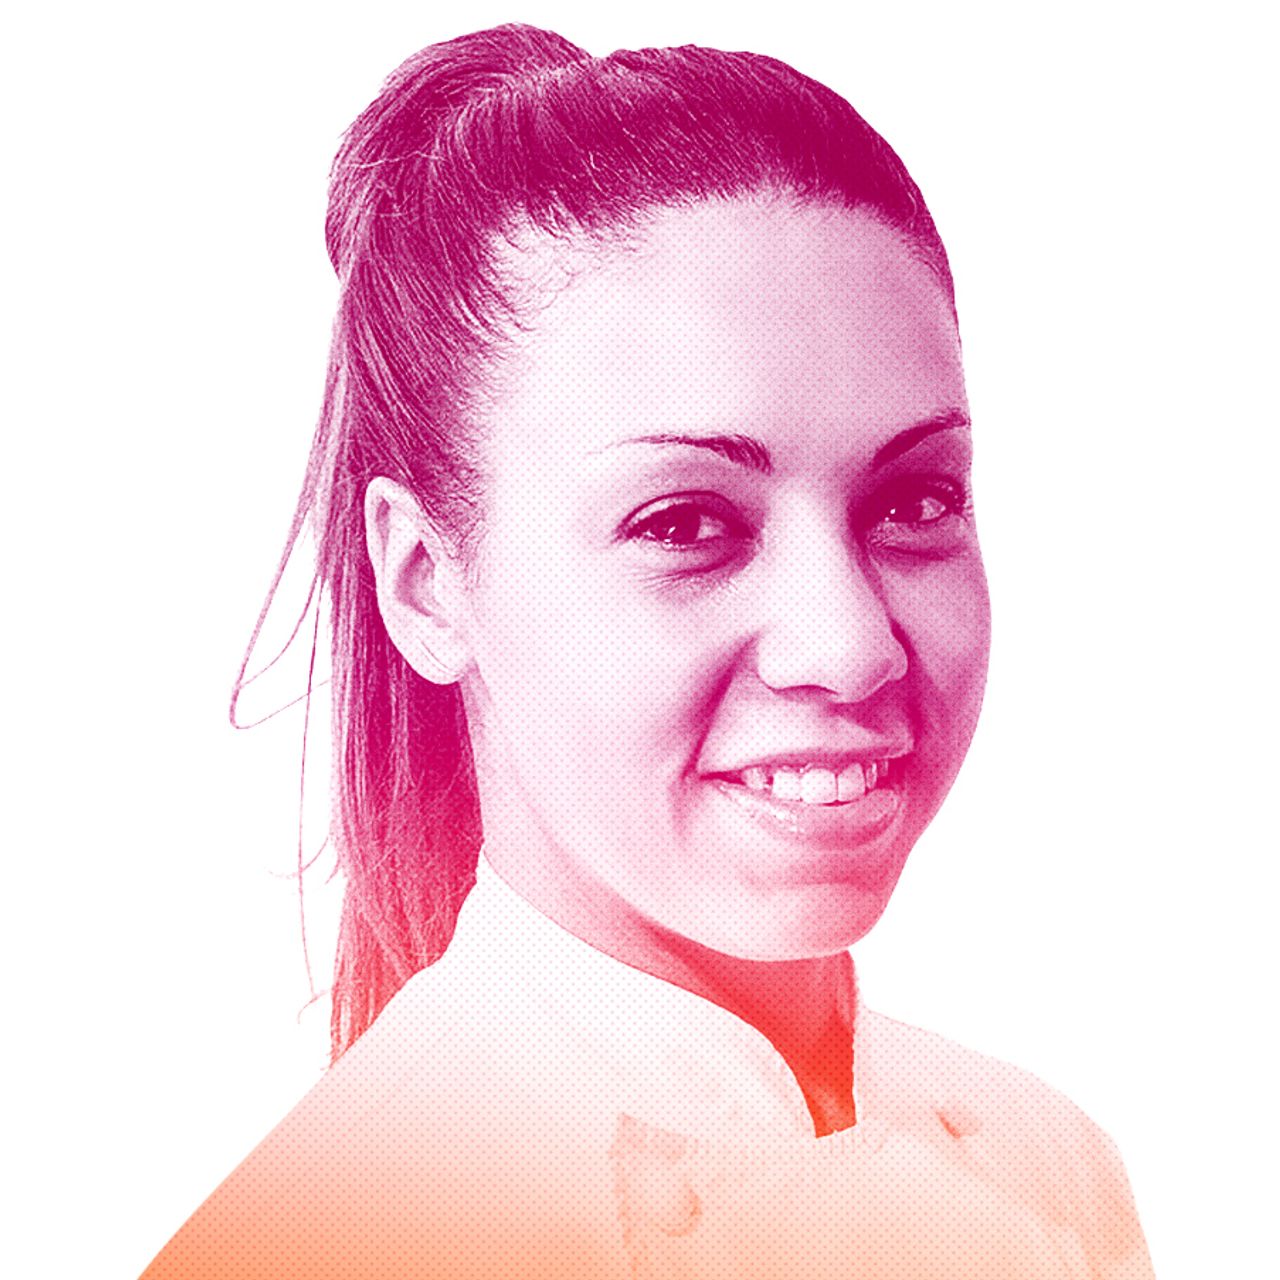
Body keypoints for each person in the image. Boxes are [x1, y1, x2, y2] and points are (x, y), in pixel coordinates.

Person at [143, 23, 1153, 1279]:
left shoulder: (1052, 1168)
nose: (847, 647)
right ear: (425, 581)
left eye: (914, 499)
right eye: (682, 522)